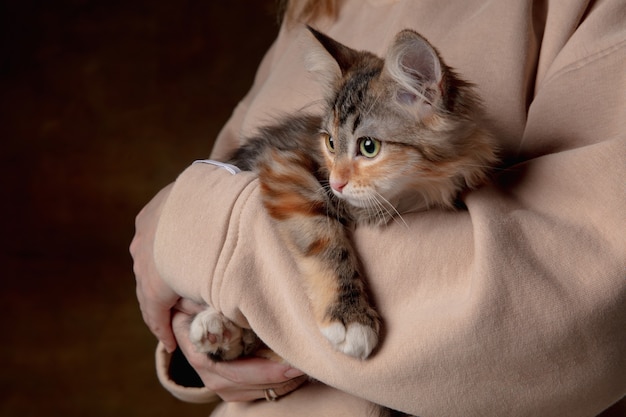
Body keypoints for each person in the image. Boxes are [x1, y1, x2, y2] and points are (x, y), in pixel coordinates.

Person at [130, 0, 626, 415]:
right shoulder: (314, 8)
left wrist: (188, 230)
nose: (338, 180)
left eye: (367, 149)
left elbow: (575, 300)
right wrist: (195, 338)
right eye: (332, 147)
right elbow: (209, 232)